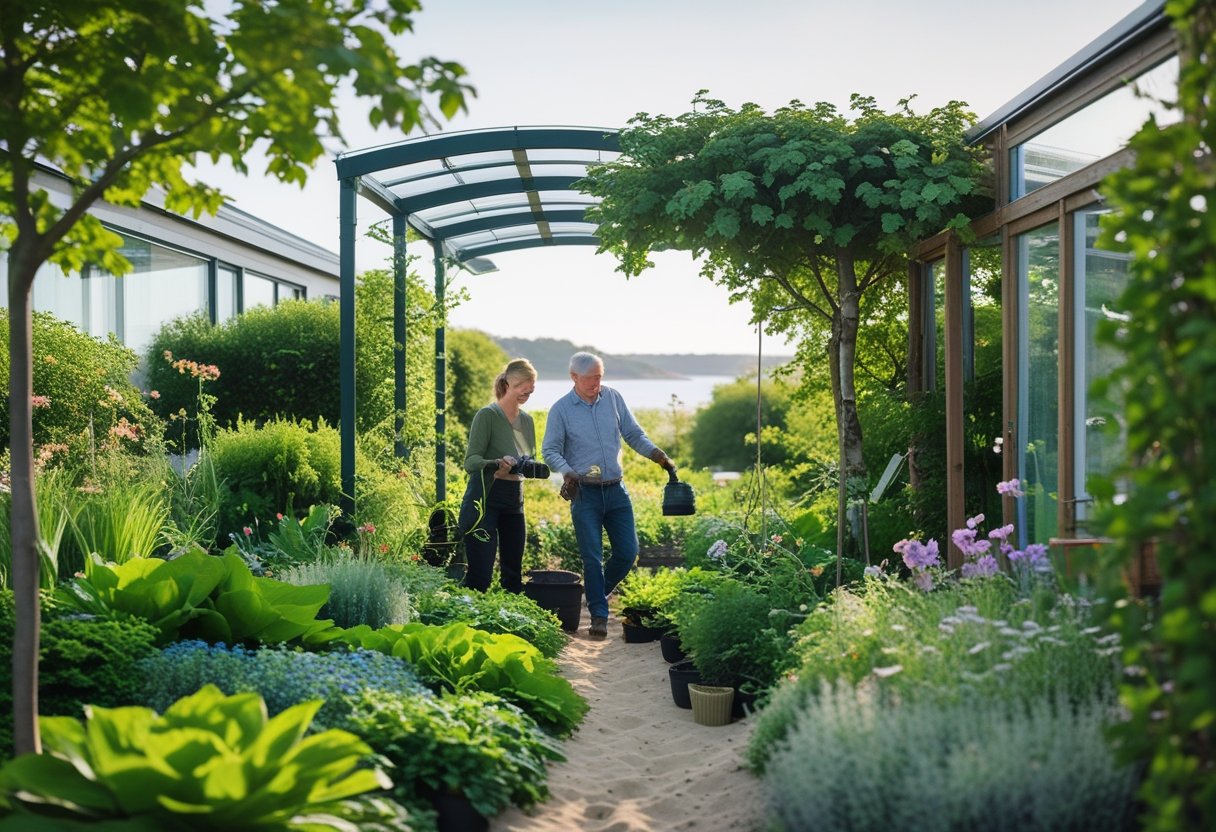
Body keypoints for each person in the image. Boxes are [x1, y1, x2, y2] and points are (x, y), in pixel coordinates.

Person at [542, 352, 674, 638]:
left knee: (628, 552)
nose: (596, 384)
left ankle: (595, 594)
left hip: (616, 490)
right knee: (592, 557)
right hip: (584, 493)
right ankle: (599, 617)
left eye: (600, 377)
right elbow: (550, 450)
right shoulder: (561, 409)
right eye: (590, 379)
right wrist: (567, 472)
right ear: (574, 377)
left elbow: (634, 434)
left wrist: (658, 456)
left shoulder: (613, 398)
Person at [457, 358, 538, 593]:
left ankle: (509, 625)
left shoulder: (527, 421)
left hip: (515, 500)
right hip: (485, 499)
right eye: (523, 386)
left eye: (531, 387)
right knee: (480, 576)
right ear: (507, 384)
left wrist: (529, 466)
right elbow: (470, 462)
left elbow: (528, 458)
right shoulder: (487, 415)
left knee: (513, 577)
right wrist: (495, 464)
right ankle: (467, 625)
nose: (527, 391)